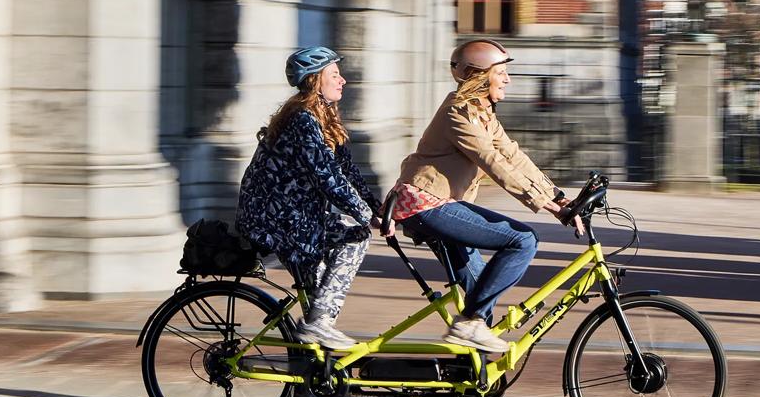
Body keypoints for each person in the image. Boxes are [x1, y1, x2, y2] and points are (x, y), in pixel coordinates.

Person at [391, 39, 580, 355]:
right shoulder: (457, 113)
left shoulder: (482, 113)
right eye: (501, 72)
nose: (508, 79)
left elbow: (511, 155)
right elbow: (491, 161)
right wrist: (545, 205)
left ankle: (471, 375)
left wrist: (558, 196)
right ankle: (469, 325)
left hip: (444, 204)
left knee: (481, 298)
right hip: (425, 203)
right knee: (522, 240)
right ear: (479, 75)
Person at [236, 47, 380, 351]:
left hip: (295, 218)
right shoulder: (302, 119)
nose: (343, 80)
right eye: (334, 74)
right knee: (356, 235)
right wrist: (366, 216)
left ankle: (313, 367)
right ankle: (319, 325)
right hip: (275, 220)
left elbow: (346, 171)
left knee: (318, 301)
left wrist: (377, 208)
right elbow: (326, 177)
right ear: (315, 80)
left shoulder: (323, 117)